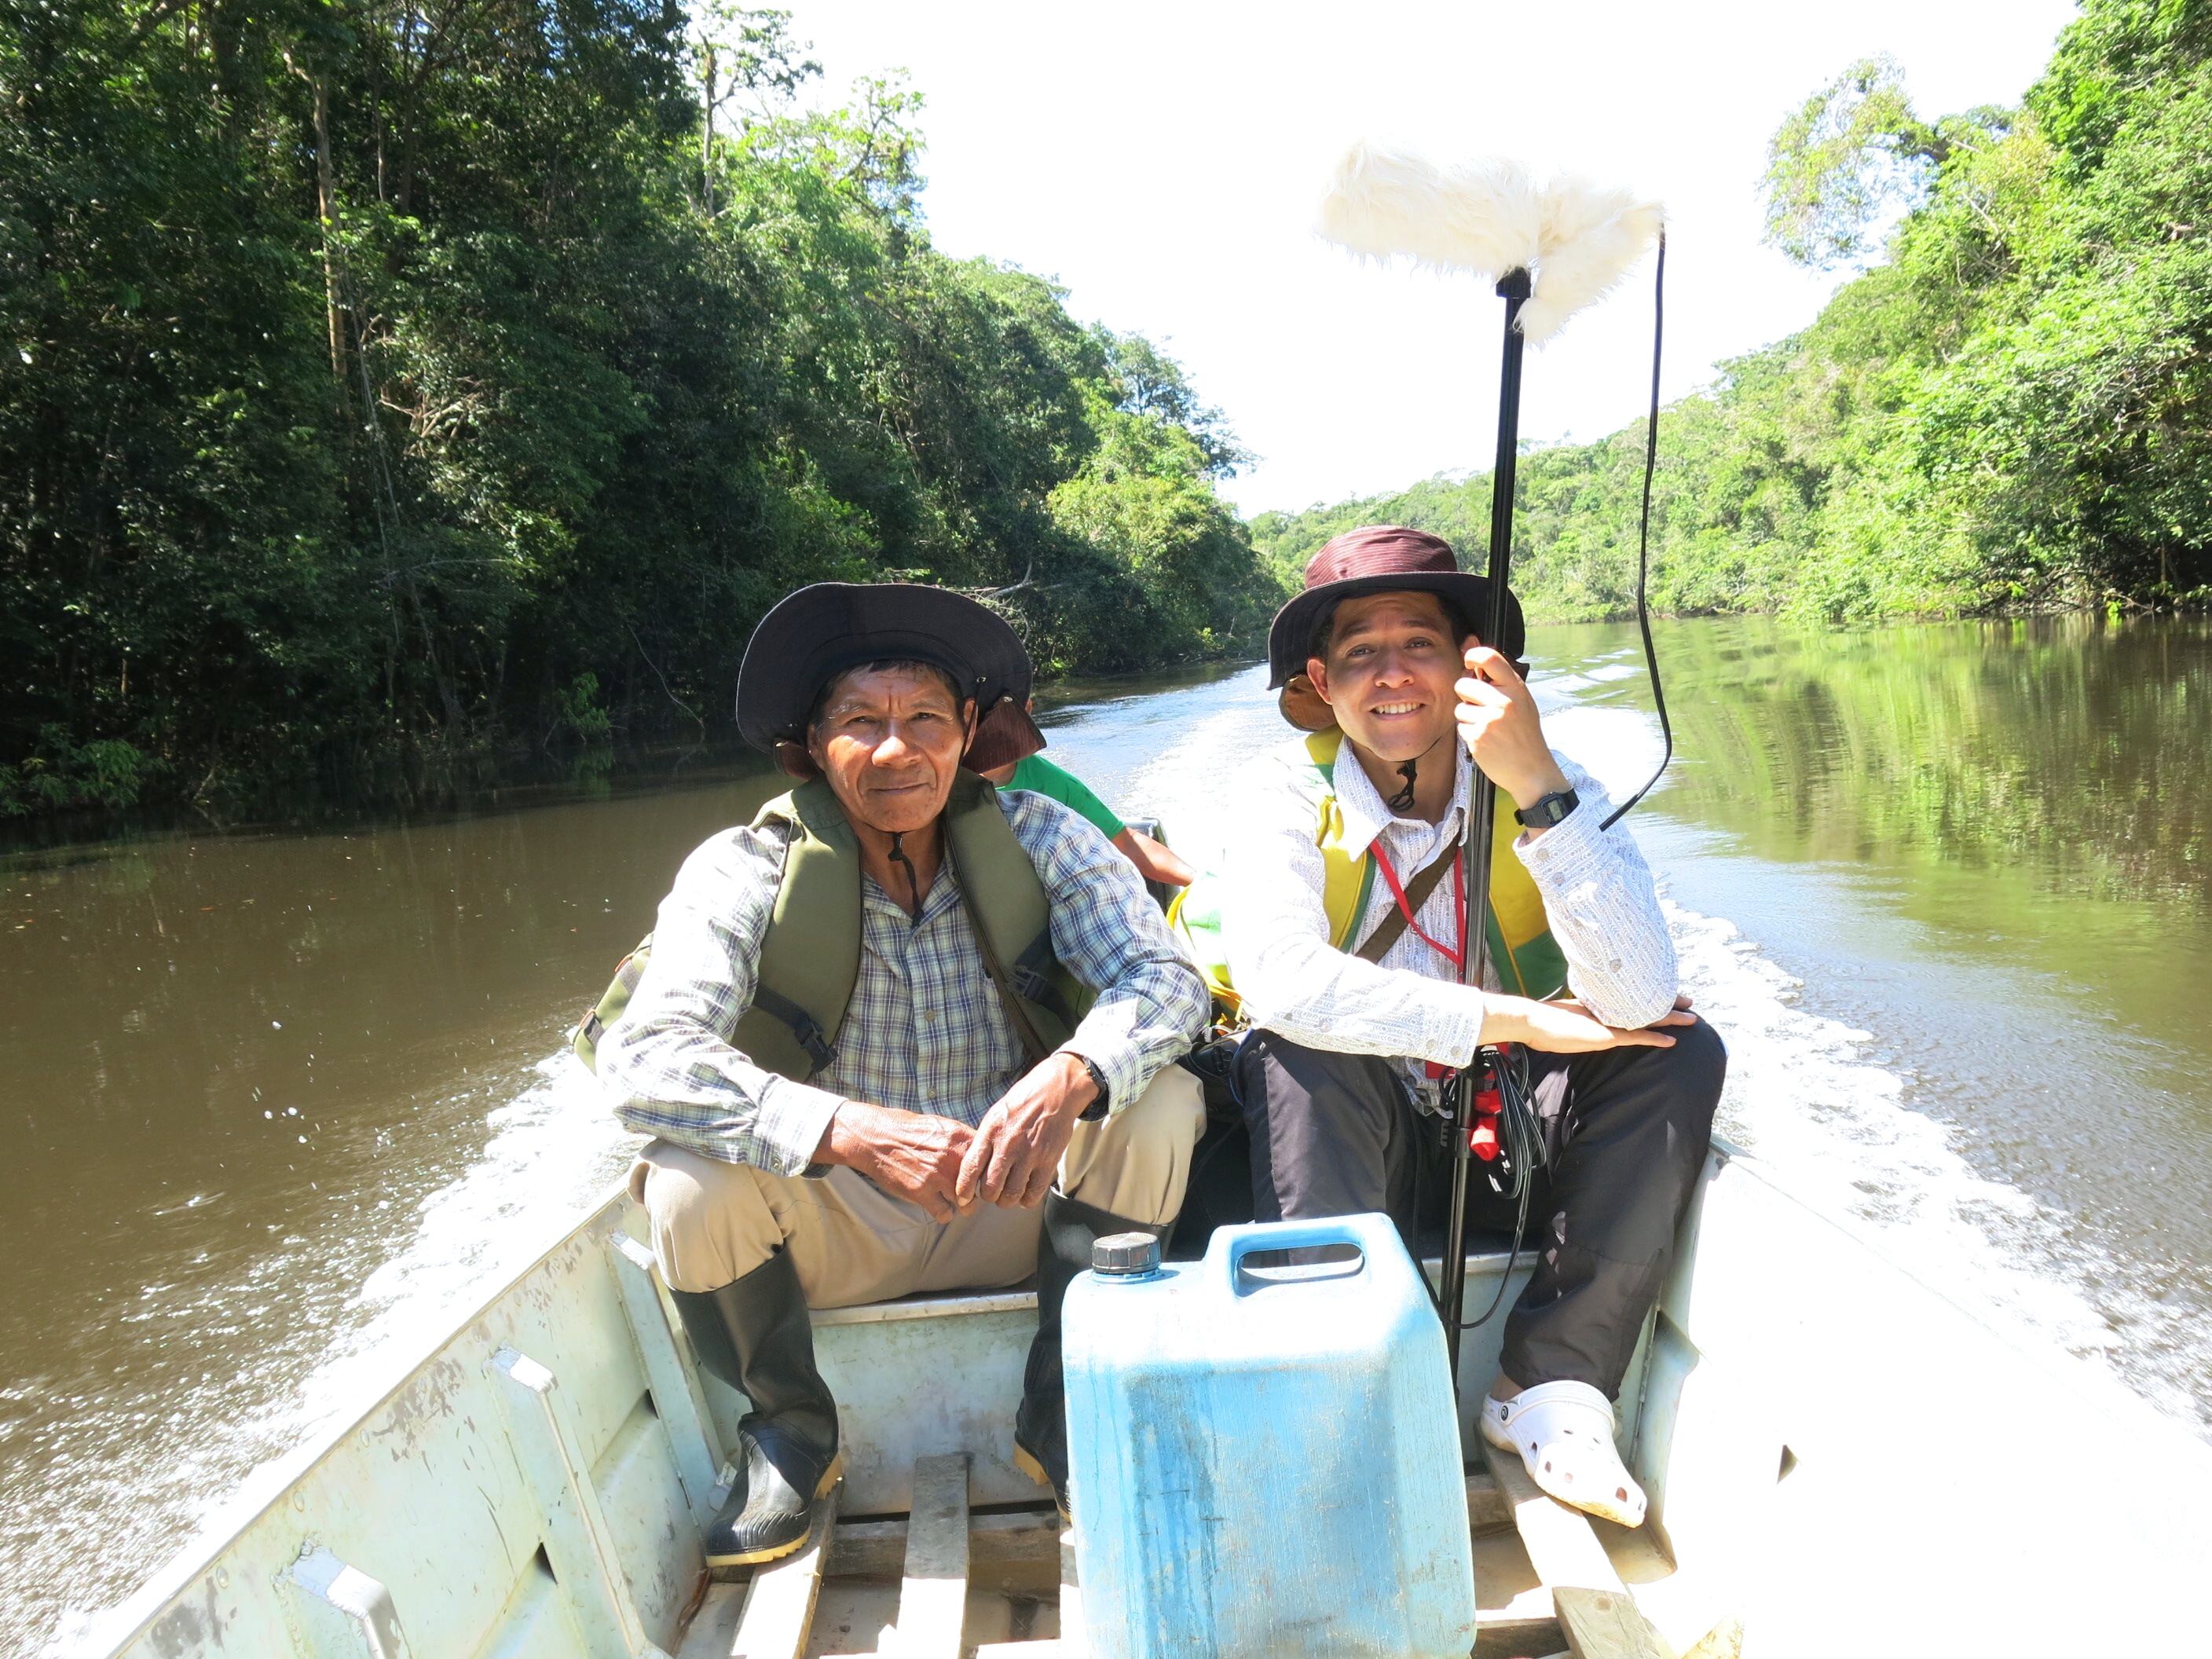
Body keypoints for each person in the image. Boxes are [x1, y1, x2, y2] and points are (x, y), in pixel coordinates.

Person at [599, 582, 1209, 1565]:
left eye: (924, 717)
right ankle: (791, 1434)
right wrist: (845, 1131)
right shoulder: (742, 867)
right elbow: (643, 1055)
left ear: (968, 730)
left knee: (1159, 1099)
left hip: (1022, 1202)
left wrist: (1068, 1078)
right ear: (813, 742)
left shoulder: (1044, 837)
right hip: (836, 1225)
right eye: (860, 722)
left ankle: (1063, 1416)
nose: (896, 749)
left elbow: (1166, 982)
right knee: (684, 1181)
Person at [1185, 525, 1727, 1529]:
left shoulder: (1553, 784)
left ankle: (1549, 1389)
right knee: (1301, 1045)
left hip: (1504, 1131)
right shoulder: (1279, 793)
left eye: (1419, 646)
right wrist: (1508, 1017)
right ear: (1322, 679)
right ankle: (1346, 1398)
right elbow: (1281, 984)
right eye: (1358, 654)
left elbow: (1642, 990)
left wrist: (1533, 787)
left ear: (1476, 666)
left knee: (1673, 1046)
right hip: (1356, 1130)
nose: (1390, 676)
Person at [981, 724, 1196, 888]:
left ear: (1025, 710)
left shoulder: (1054, 783)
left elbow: (1125, 842)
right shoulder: (948, 783)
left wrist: (1198, 882)